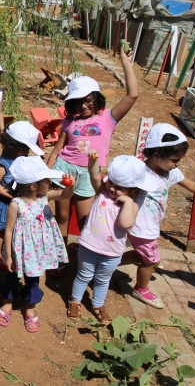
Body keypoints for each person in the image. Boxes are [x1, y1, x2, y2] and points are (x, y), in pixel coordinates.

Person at [47, 43, 138, 276]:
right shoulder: (69, 121)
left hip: (89, 173)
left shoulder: (108, 118)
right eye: (78, 101)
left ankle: (87, 261)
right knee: (62, 216)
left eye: (88, 100)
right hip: (65, 170)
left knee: (86, 221)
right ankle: (61, 258)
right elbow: (57, 150)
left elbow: (132, 95)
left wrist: (126, 63)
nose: (83, 105)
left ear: (97, 98)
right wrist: (46, 174)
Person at [120, 124, 195, 309]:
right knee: (152, 260)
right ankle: (141, 288)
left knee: (142, 255)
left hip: (150, 226)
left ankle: (106, 263)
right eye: (175, 160)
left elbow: (192, 186)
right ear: (156, 154)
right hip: (141, 227)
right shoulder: (139, 172)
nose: (177, 164)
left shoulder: (170, 172)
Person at [67, 153, 155, 324]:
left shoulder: (132, 205)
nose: (113, 188)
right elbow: (94, 175)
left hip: (112, 253)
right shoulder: (102, 192)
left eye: (119, 187)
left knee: (102, 279)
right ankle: (75, 301)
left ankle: (98, 304)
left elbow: (125, 223)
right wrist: (93, 161)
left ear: (132, 190)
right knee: (83, 275)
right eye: (111, 183)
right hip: (89, 246)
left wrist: (127, 202)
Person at [0, 157, 73, 333]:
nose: (50, 183)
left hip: (38, 251)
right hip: (19, 250)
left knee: (34, 279)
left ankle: (30, 307)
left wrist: (70, 186)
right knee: (12, 275)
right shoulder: (16, 204)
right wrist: (8, 255)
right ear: (33, 186)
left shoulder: (45, 197)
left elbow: (65, 195)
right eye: (46, 180)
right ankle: (7, 302)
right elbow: (8, 230)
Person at [0, 122, 44, 270]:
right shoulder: (3, 163)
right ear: (13, 146)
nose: (26, 151)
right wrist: (12, 197)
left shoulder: (24, 159)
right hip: (6, 203)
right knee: (2, 229)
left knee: (15, 229)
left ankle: (11, 251)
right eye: (24, 148)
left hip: (20, 202)